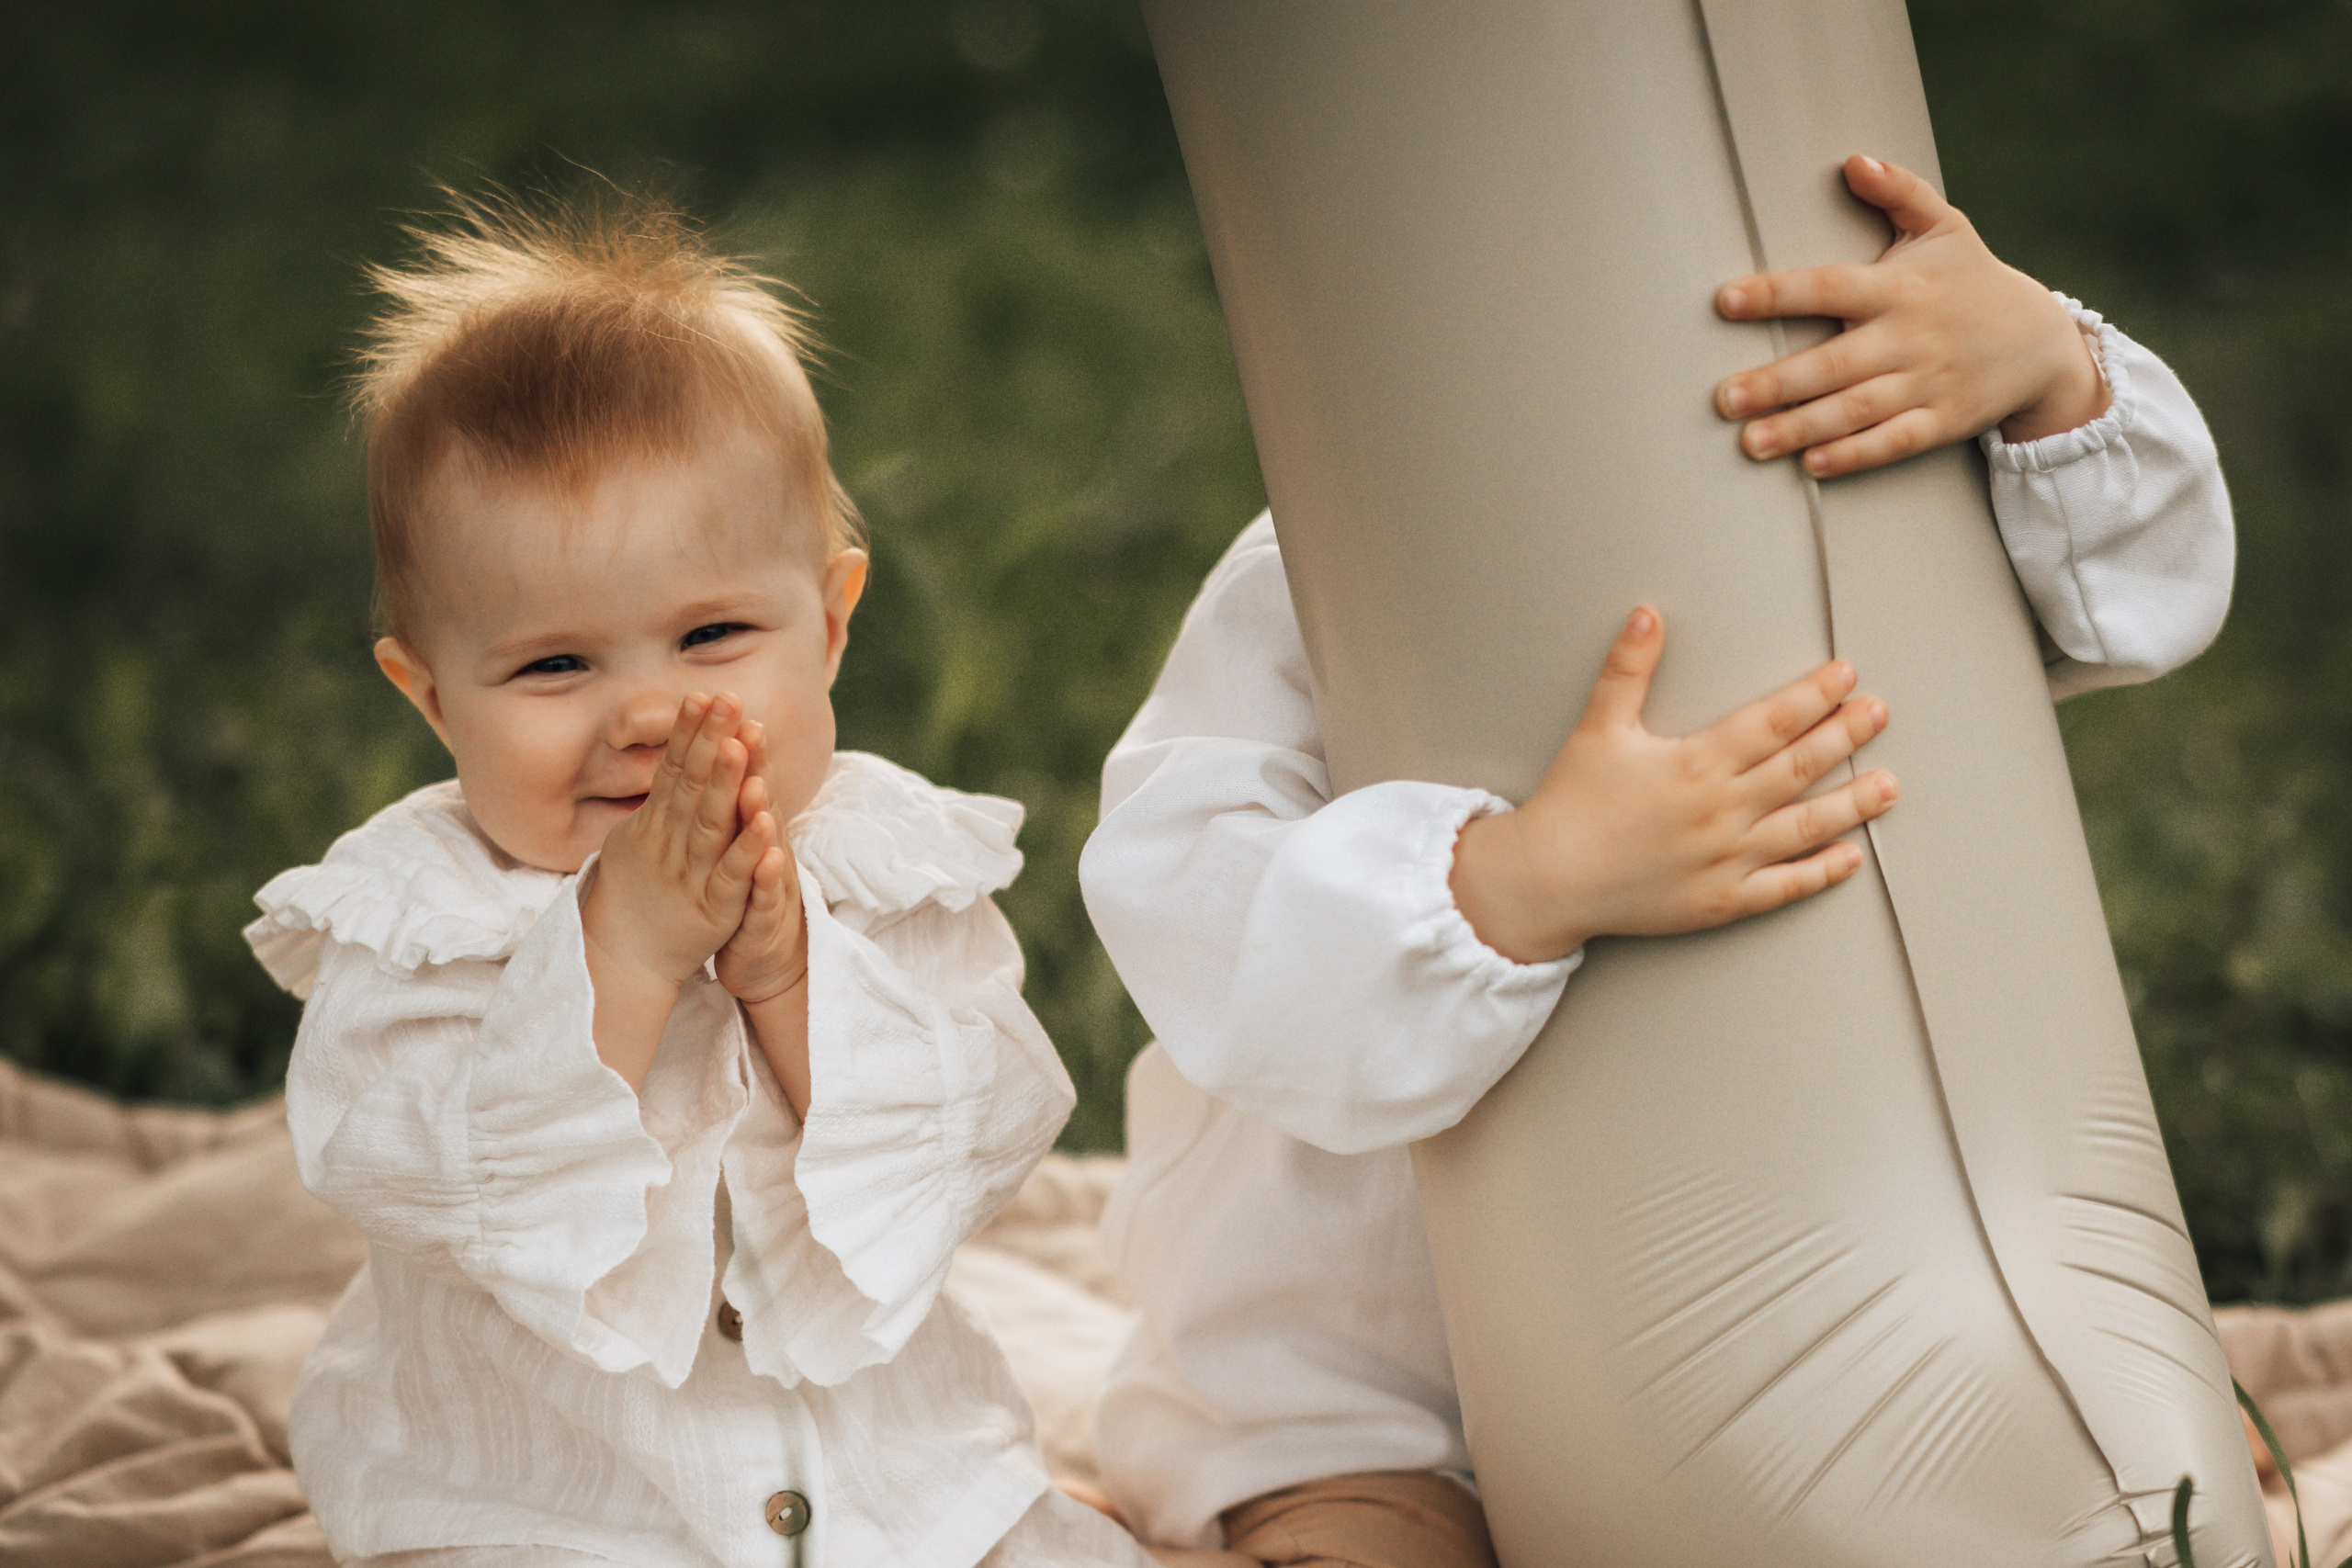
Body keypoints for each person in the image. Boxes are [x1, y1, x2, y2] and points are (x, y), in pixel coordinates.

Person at [1078, 156, 2235, 1566]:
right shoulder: (1328, 576)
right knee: (1376, 1544)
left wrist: (2047, 366)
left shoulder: (1845, 465)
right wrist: (1516, 884)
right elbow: (1195, 922)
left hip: (1793, 1294)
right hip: (1371, 1399)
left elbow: (2141, 603)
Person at [242, 190, 1155, 1568]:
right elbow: (422, 1168)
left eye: (712, 634)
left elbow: (977, 1125)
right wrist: (620, 955)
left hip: (898, 1484)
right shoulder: (416, 919)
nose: (649, 712)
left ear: (832, 624)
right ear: (431, 701)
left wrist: (790, 975)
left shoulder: (882, 864)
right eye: (557, 664)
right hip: (546, 1508)